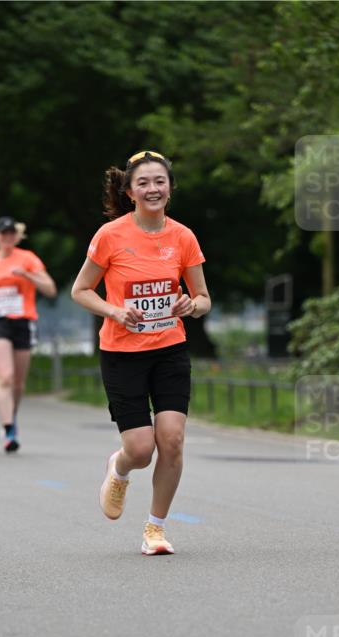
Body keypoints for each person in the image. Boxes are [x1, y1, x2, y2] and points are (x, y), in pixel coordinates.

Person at [71, 150, 210, 555]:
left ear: (170, 188)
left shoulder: (183, 237)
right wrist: (114, 310)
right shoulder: (111, 235)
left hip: (170, 350)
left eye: (160, 181)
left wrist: (191, 306)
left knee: (173, 440)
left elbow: (203, 298)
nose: (153, 189)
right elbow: (80, 291)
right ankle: (118, 469)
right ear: (130, 191)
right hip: (122, 353)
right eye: (144, 183)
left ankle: (155, 528)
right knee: (141, 449)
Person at [0, 216, 57, 452]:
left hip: (23, 321)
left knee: (18, 383)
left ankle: (11, 416)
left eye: (11, 233)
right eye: (3, 233)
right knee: (5, 377)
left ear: (16, 236)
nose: (7, 237)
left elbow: (50, 289)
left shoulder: (28, 258)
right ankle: (9, 428)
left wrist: (27, 276)